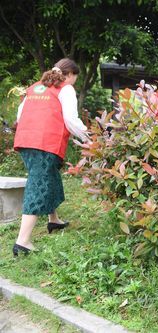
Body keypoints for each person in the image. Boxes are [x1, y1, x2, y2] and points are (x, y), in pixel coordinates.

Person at [12, 58, 89, 256]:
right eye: (75, 78)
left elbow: (20, 116)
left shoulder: (34, 87)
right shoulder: (66, 89)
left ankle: (53, 219)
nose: (74, 82)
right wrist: (88, 138)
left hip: (26, 140)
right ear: (70, 74)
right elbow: (71, 119)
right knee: (38, 184)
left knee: (50, 176)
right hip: (46, 142)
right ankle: (23, 241)